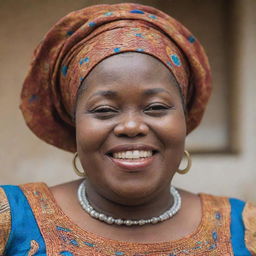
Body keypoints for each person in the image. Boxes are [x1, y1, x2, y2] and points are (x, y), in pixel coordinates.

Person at [0, 3, 255, 255]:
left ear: (185, 119)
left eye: (156, 107)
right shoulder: (13, 222)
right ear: (74, 122)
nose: (131, 126)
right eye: (103, 110)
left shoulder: (244, 231)